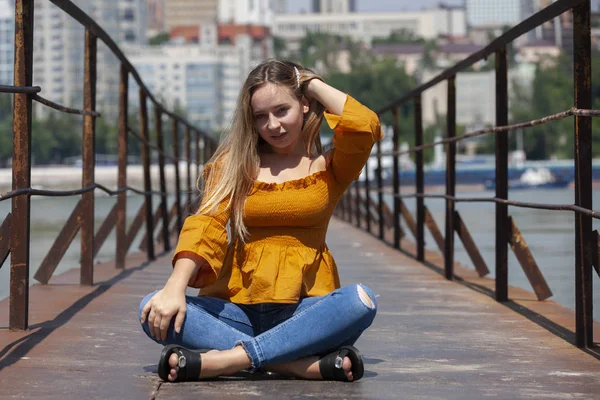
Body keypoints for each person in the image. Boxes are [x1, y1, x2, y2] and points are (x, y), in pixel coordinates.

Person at [139, 59, 382, 383]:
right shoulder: (234, 165)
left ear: (305, 105)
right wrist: (174, 287)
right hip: (236, 310)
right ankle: (292, 364)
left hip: (303, 311)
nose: (273, 125)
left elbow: (364, 126)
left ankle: (231, 360)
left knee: (360, 301)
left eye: (282, 110)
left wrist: (308, 83)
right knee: (151, 307)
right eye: (260, 116)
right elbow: (207, 223)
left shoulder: (330, 167)